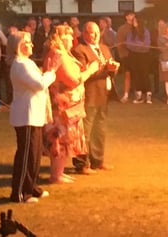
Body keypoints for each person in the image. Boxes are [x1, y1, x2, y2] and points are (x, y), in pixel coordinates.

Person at [8, 30, 56, 203]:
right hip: (25, 116)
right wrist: (52, 72)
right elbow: (39, 84)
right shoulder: (20, 64)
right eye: (28, 42)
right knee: (27, 155)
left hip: (34, 115)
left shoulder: (27, 63)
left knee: (35, 154)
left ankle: (32, 187)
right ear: (19, 45)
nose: (32, 45)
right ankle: (20, 192)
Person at [43, 26, 93, 184]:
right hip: (61, 108)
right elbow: (73, 79)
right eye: (69, 36)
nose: (73, 39)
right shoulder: (58, 54)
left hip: (70, 107)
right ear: (61, 37)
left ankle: (59, 172)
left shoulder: (65, 54)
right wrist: (91, 70)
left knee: (66, 139)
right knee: (60, 139)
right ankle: (56, 175)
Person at [71, 22, 120, 174]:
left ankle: (97, 161)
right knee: (85, 130)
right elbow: (83, 74)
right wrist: (105, 70)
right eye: (93, 33)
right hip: (90, 94)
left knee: (100, 129)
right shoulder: (80, 50)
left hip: (104, 95)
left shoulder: (104, 48)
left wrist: (113, 69)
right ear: (85, 33)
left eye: (98, 32)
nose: (96, 35)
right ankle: (82, 164)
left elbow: (109, 70)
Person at [126, 17, 152, 104]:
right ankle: (139, 95)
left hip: (144, 56)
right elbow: (129, 44)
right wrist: (139, 45)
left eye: (135, 21)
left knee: (145, 74)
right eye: (133, 21)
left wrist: (137, 45)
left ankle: (148, 95)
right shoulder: (130, 33)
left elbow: (147, 45)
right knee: (136, 75)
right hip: (134, 56)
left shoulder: (145, 31)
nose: (134, 23)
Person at [116, 11, 135, 103]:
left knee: (137, 75)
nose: (132, 17)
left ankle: (137, 93)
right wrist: (122, 55)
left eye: (133, 15)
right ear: (126, 17)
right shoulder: (122, 29)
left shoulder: (136, 26)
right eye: (130, 15)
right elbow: (120, 43)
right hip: (126, 55)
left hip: (137, 54)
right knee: (127, 74)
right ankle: (126, 94)